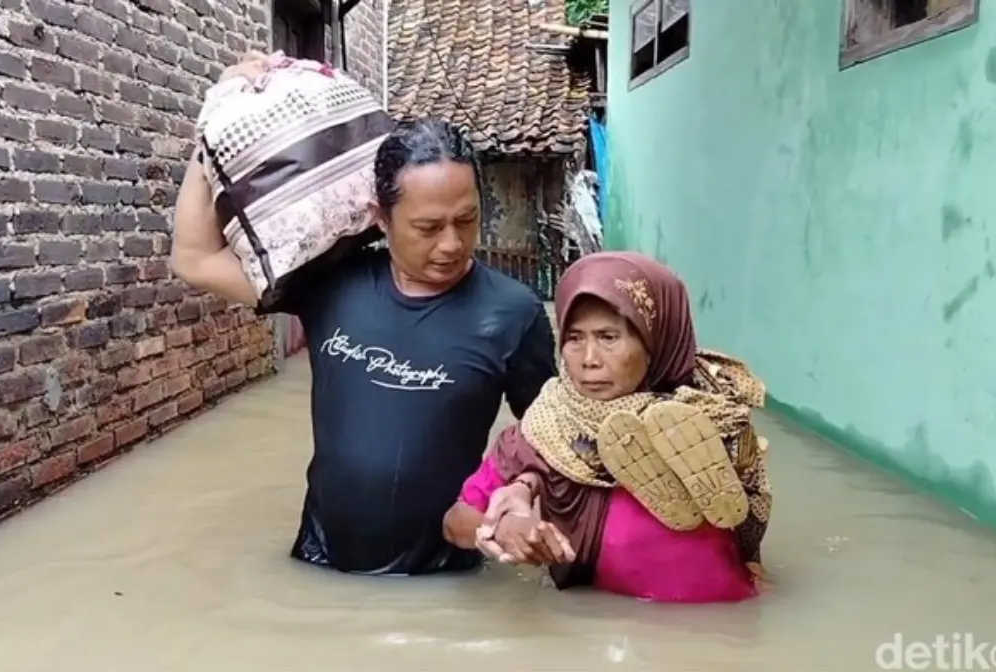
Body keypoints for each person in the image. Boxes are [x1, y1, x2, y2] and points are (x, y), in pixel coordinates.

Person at [171, 52, 557, 576]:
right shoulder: (330, 284)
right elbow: (194, 259)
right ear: (381, 217)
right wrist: (214, 125)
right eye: (427, 227)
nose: (451, 243)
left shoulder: (513, 313)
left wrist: (521, 494)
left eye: (466, 220)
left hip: (443, 576)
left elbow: (551, 437)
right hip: (318, 567)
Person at [442, 252, 773, 602]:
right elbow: (455, 522)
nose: (589, 360)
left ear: (657, 340)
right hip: (594, 625)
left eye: (608, 337)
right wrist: (504, 528)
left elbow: (750, 519)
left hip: (721, 622)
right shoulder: (546, 427)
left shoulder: (717, 415)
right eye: (574, 338)